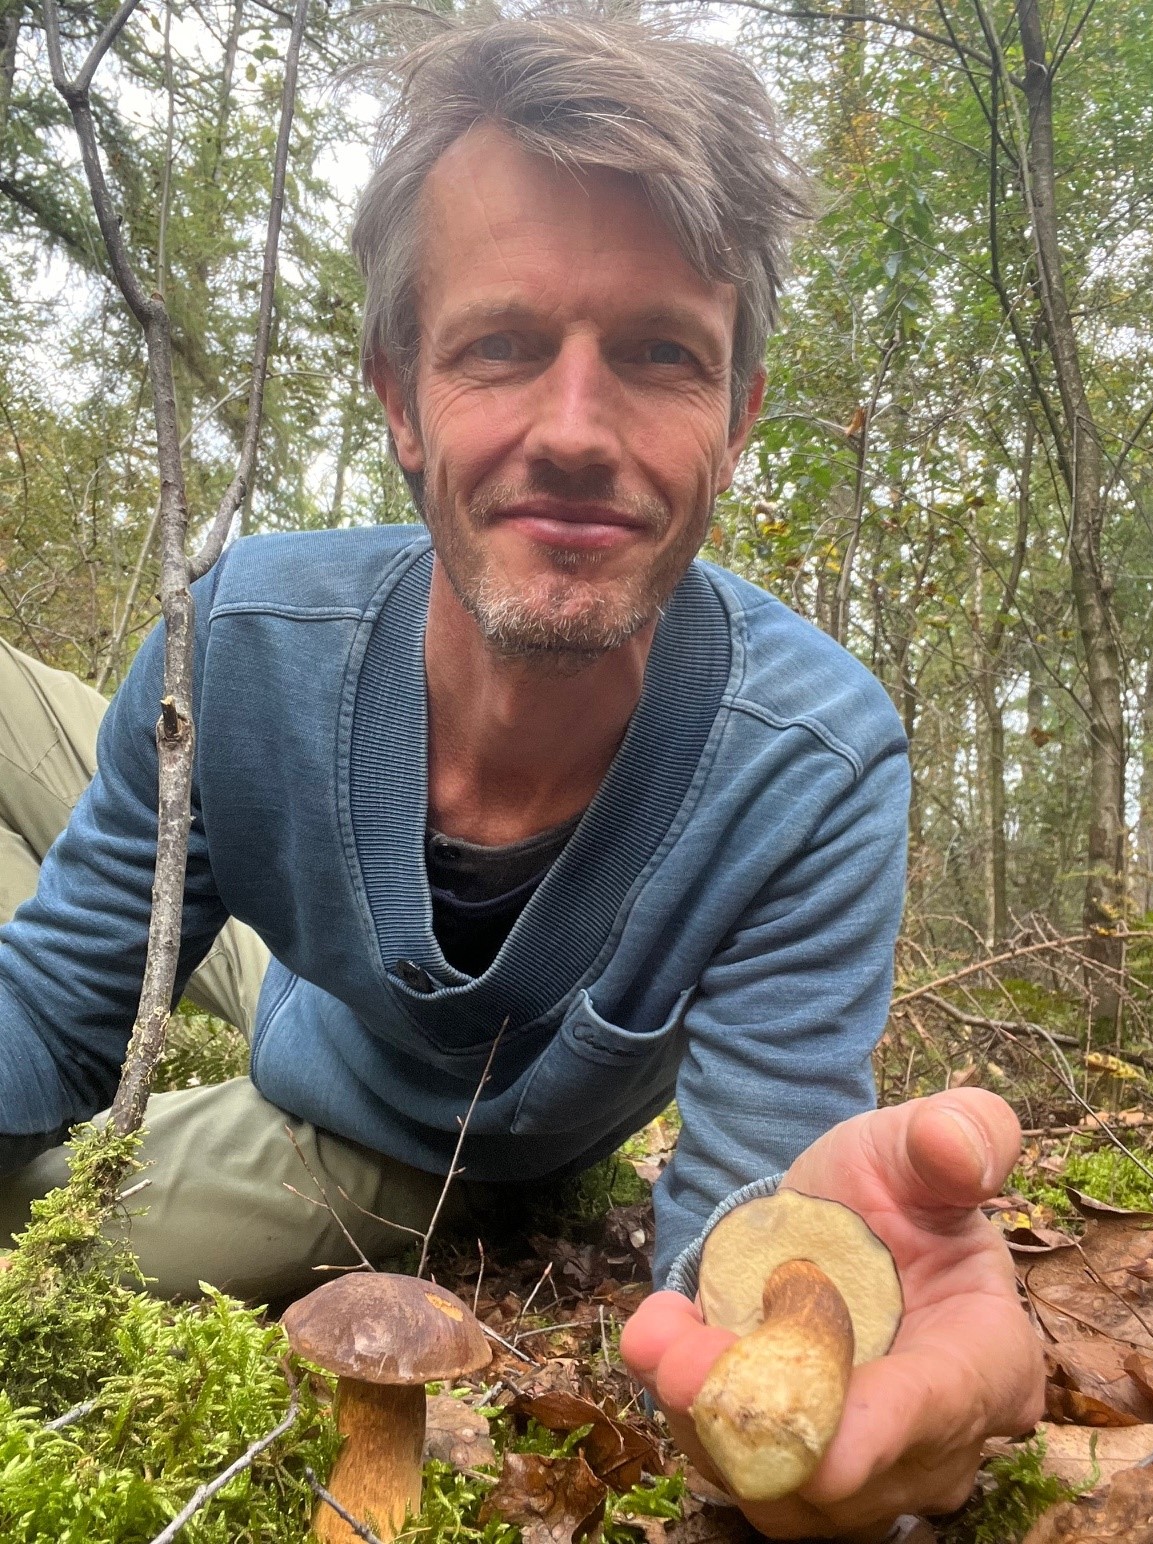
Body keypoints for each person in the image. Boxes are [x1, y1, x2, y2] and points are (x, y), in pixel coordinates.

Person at [0, 9, 1042, 1537]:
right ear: (401, 397)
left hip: (391, 1142)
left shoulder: (807, 772)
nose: (573, 431)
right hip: (283, 967)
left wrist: (818, 1350)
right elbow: (68, 995)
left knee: (48, 1230)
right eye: (499, 345)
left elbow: (743, 1229)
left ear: (738, 416)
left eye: (656, 355)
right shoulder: (241, 639)